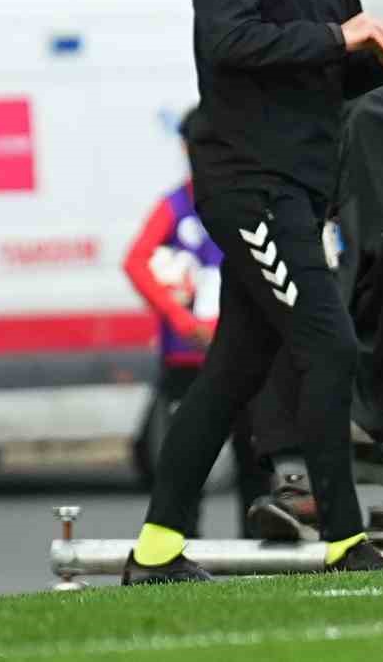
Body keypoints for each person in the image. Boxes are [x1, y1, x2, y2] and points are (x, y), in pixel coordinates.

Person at [123, 0, 383, 584]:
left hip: (298, 181)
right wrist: (339, 33)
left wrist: (377, 60)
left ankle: (154, 550)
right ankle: (344, 544)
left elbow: (327, 70)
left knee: (231, 374)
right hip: (247, 180)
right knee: (326, 345)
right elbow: (228, 41)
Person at [122, 107, 267, 536]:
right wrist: (183, 322)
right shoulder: (176, 205)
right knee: (186, 459)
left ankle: (260, 551)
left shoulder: (245, 199)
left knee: (254, 458)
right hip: (188, 359)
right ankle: (180, 547)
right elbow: (136, 262)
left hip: (242, 354)